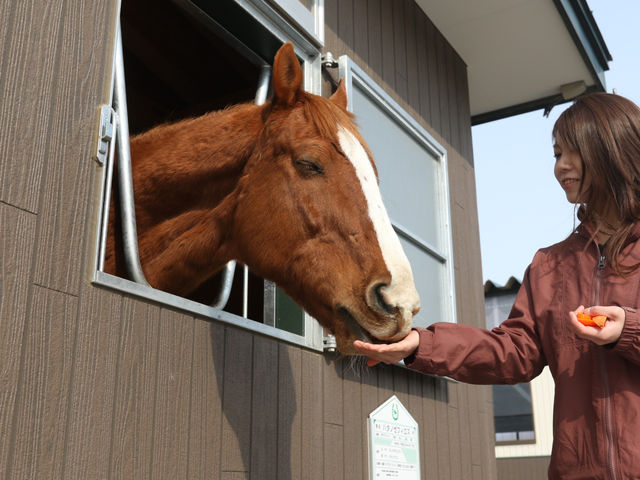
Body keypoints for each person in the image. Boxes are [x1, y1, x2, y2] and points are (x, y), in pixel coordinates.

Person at [354, 92, 640, 479]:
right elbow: (514, 351)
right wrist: (423, 344)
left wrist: (629, 330)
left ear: (611, 148)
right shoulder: (548, 266)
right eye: (556, 154)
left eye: (573, 152)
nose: (561, 166)